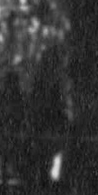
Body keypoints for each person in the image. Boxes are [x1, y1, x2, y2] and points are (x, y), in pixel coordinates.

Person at [27, 48, 67, 187]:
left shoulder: (46, 81)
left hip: (47, 121)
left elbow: (55, 103)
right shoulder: (46, 82)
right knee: (46, 151)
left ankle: (44, 177)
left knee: (46, 151)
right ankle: (44, 177)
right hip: (45, 121)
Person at [0, 70, 26, 185]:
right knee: (10, 149)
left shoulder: (3, 95)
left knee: (6, 150)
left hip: (7, 127)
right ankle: (13, 173)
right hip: (11, 127)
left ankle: (7, 175)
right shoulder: (17, 95)